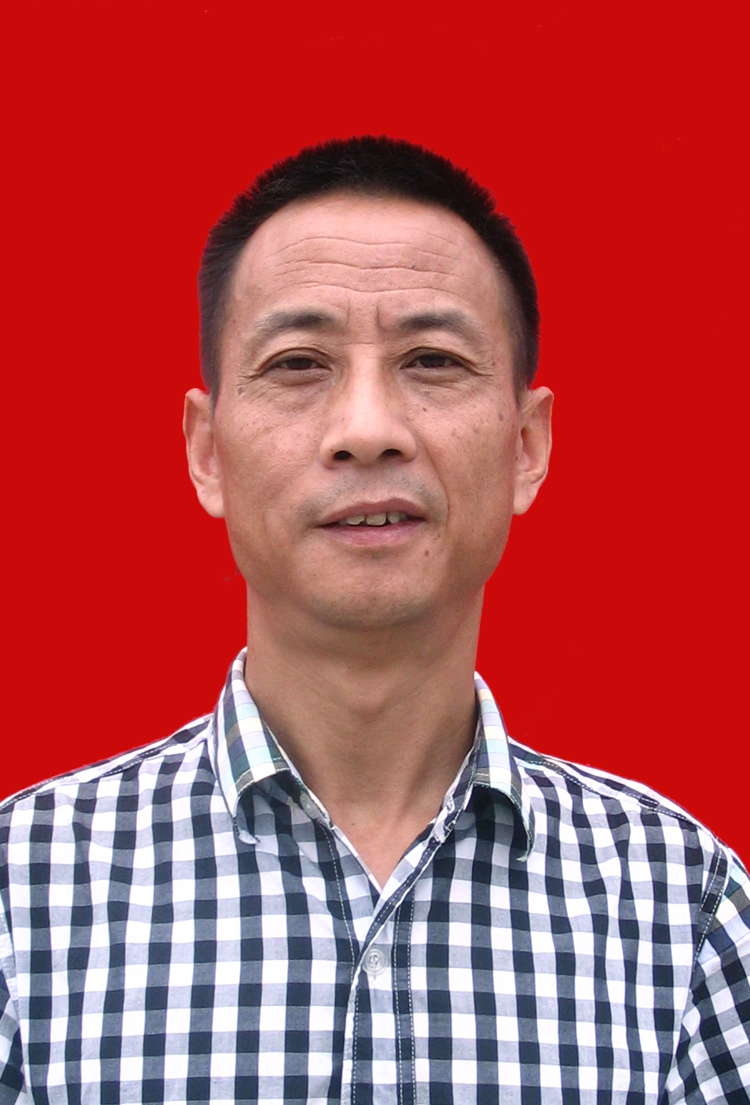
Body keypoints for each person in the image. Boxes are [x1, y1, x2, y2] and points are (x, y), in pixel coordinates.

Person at [1, 137, 748, 1105]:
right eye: (297, 363)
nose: (366, 429)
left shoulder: (682, 910)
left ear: (527, 446)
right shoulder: (27, 896)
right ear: (206, 451)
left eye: (432, 360)